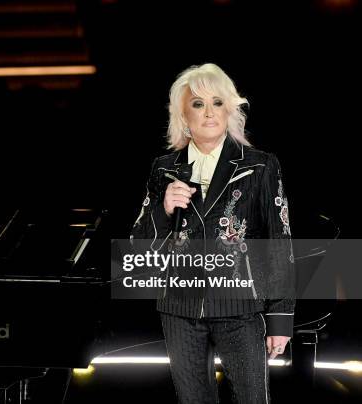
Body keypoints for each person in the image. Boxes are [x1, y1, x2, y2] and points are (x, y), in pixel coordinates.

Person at [131, 64, 295, 403]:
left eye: (217, 102)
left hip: (240, 307)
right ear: (183, 114)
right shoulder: (163, 168)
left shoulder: (260, 165)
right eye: (198, 104)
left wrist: (280, 319)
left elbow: (279, 242)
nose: (209, 113)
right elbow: (139, 245)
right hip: (179, 309)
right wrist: (163, 211)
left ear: (230, 109)